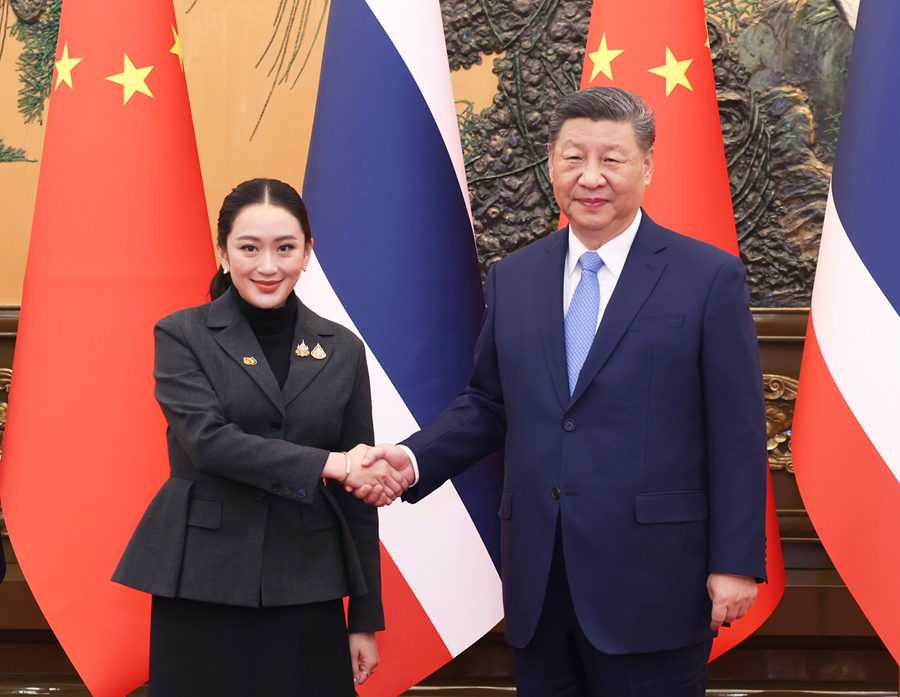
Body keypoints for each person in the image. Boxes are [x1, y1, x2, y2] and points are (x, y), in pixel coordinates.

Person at [356, 88, 768, 696]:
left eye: (613, 158)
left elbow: (736, 430)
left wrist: (734, 562)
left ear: (648, 166)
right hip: (540, 583)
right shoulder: (515, 276)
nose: (591, 177)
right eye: (574, 158)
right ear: (551, 162)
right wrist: (414, 458)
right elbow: (490, 402)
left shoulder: (707, 277)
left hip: (656, 584)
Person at [113, 178, 406, 696]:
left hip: (308, 584)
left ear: (307, 254)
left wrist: (363, 618)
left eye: (285, 248)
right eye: (249, 248)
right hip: (202, 582)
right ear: (222, 252)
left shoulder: (342, 349)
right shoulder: (182, 335)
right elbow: (208, 442)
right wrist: (331, 463)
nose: (267, 266)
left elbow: (359, 499)